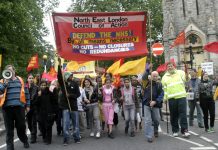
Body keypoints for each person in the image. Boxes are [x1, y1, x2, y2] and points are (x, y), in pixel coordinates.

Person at [0, 65, 30, 149]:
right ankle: (10, 147)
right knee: (9, 130)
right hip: (7, 109)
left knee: (21, 127)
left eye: (11, 70)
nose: (9, 71)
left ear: (14, 70)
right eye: (7, 70)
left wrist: (28, 105)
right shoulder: (2, 81)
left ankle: (24, 140)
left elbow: (26, 93)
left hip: (19, 108)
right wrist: (5, 84)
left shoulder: (20, 80)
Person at [161, 62, 190, 137]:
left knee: (183, 114)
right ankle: (175, 130)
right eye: (168, 66)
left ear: (174, 66)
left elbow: (186, 79)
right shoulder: (164, 77)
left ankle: (185, 131)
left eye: (171, 66)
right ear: (166, 68)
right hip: (171, 98)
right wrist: (165, 98)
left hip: (181, 97)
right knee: (173, 115)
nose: (170, 67)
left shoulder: (180, 72)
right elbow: (165, 89)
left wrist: (187, 74)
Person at [57, 59, 81, 145]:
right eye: (70, 75)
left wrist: (70, 95)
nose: (72, 77)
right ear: (66, 76)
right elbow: (59, 76)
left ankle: (77, 138)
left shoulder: (75, 84)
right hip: (65, 107)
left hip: (74, 107)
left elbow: (78, 94)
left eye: (72, 75)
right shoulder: (63, 83)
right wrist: (59, 65)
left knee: (76, 124)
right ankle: (66, 140)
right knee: (66, 124)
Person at [142, 70, 163, 143]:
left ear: (158, 77)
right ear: (150, 76)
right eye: (153, 76)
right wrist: (148, 69)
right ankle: (149, 136)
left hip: (155, 105)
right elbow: (144, 77)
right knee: (148, 120)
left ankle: (155, 129)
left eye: (156, 76)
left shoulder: (159, 85)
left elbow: (161, 95)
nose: (155, 77)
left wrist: (155, 101)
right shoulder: (146, 83)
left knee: (157, 119)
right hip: (146, 105)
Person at [36, 80, 57, 145]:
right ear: (40, 86)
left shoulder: (50, 93)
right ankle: (44, 137)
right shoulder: (38, 93)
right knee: (42, 127)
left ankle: (49, 140)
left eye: (44, 85)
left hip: (49, 113)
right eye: (42, 85)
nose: (43, 86)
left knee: (48, 126)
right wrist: (38, 96)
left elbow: (54, 103)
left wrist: (54, 112)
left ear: (46, 85)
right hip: (41, 113)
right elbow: (35, 103)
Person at [26, 74, 38, 144]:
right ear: (27, 79)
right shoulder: (24, 87)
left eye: (32, 78)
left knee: (34, 123)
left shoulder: (36, 87)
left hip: (34, 107)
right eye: (29, 78)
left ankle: (33, 137)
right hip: (27, 108)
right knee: (29, 123)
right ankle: (32, 133)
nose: (31, 79)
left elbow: (37, 98)